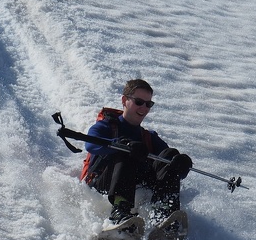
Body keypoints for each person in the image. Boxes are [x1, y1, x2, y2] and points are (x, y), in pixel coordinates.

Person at [83, 79, 193, 231]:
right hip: (104, 183)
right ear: (124, 100)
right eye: (139, 102)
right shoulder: (106, 126)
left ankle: (164, 213)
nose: (144, 108)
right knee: (127, 151)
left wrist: (180, 164)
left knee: (170, 155)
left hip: (134, 184)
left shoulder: (148, 137)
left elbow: (166, 165)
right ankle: (119, 212)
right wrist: (122, 145)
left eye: (148, 104)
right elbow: (91, 145)